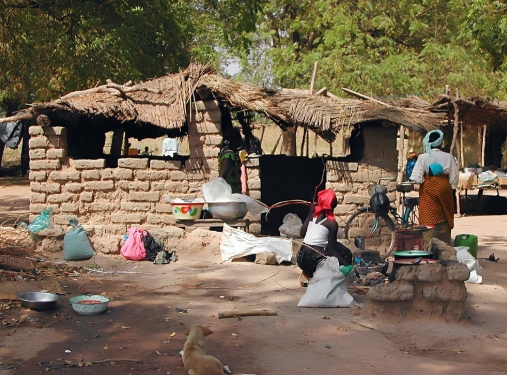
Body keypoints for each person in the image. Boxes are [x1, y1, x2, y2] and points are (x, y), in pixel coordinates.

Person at [409, 129, 459, 244]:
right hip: (444, 186)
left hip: (428, 188)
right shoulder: (448, 157)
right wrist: (450, 186)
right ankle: (444, 244)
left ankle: (429, 245)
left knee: (428, 215)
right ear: (441, 143)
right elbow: (454, 177)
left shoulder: (423, 157)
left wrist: (426, 180)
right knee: (445, 214)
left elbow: (417, 177)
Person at [296, 189, 352, 280]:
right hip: (314, 261)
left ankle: (308, 273)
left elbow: (302, 233)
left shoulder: (313, 216)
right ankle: (339, 277)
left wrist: (310, 212)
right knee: (344, 252)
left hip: (300, 258)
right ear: (334, 205)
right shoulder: (331, 223)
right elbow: (332, 250)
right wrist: (348, 265)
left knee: (329, 246)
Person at [218, 128, 248, 195]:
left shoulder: (231, 153)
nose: (240, 141)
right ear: (235, 140)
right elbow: (221, 176)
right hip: (229, 193)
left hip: (233, 192)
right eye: (239, 138)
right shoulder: (228, 155)